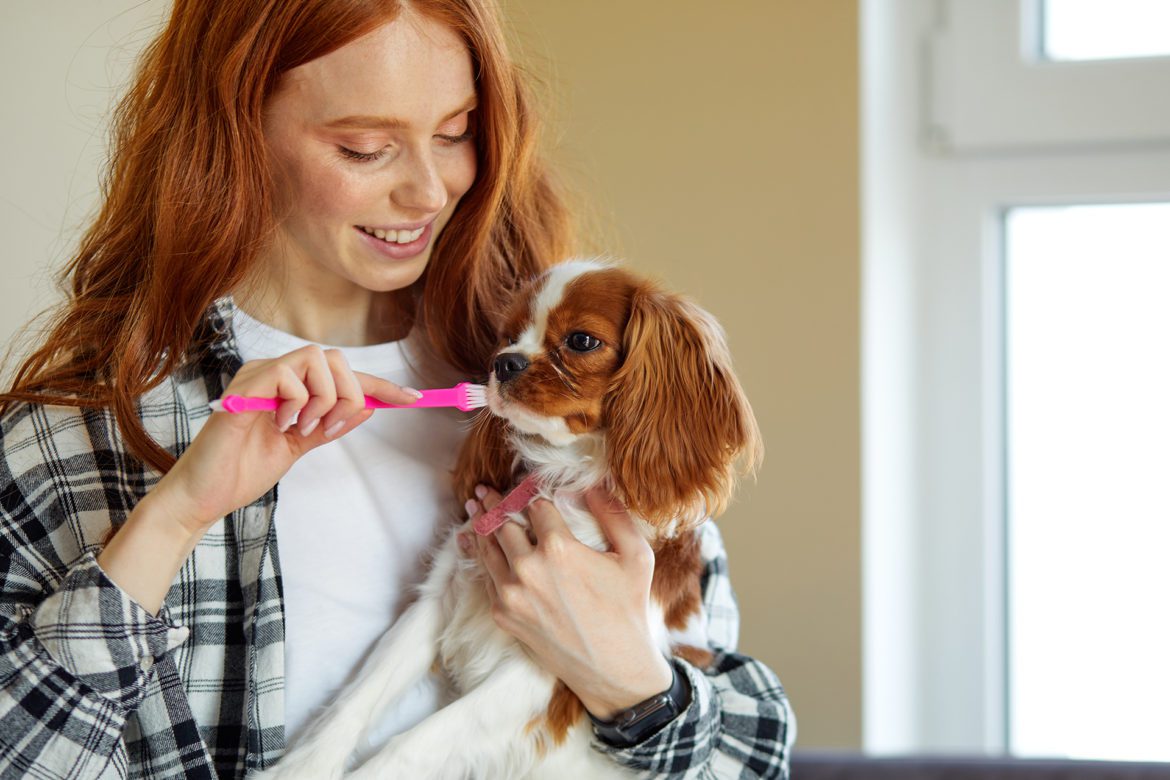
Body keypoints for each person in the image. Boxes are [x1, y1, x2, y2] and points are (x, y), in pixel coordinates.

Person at [0, 1, 795, 777]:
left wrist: (638, 694)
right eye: (364, 147)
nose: (428, 191)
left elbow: (753, 754)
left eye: (455, 134)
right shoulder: (81, 433)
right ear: (237, 130)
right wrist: (173, 517)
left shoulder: (574, 404)